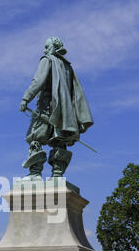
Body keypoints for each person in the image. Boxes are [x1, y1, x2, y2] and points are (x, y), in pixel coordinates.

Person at [20, 37, 94, 180]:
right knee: (59, 140)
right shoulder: (68, 66)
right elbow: (76, 93)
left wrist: (26, 98)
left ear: (54, 48)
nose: (44, 50)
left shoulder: (47, 60)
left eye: (47, 47)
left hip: (46, 106)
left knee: (36, 137)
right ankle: (57, 174)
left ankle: (35, 173)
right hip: (65, 112)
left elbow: (38, 81)